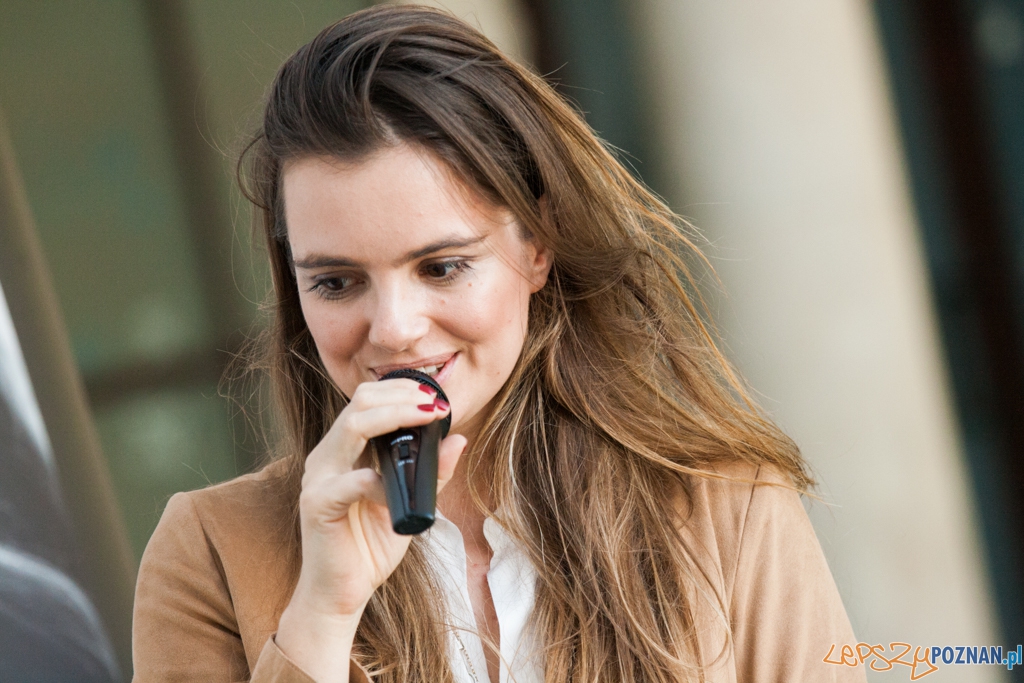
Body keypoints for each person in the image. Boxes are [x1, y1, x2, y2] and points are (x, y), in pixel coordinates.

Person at [132, 5, 866, 682]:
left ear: (537, 244)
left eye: (442, 266)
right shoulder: (210, 550)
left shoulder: (728, 511)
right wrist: (322, 612)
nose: (392, 328)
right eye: (336, 282)